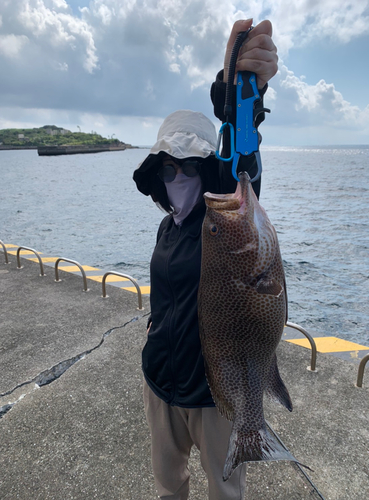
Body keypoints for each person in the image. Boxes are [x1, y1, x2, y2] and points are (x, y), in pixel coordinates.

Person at [133, 18, 278, 500]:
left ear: (205, 167)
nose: (177, 177)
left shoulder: (221, 216)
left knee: (225, 492)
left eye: (187, 166)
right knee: (167, 487)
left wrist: (237, 94)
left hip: (216, 397)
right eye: (166, 168)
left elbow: (240, 161)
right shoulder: (167, 225)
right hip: (160, 382)